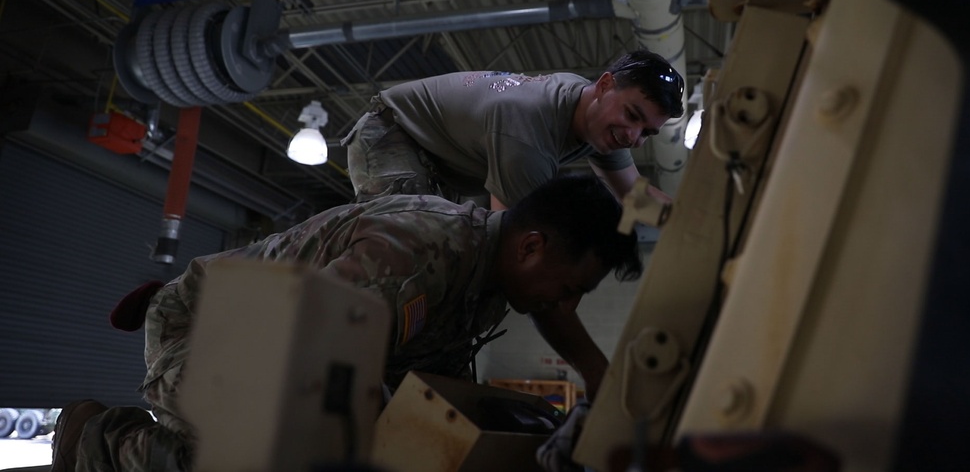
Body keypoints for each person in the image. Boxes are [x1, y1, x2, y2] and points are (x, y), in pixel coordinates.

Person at [51, 175, 642, 472]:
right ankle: (98, 441)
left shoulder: (499, 275)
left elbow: (431, 396)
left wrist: (601, 384)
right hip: (209, 333)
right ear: (532, 246)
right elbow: (307, 368)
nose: (564, 308)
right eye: (568, 291)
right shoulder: (416, 252)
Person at [342, 49, 684, 211]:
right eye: (633, 116)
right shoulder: (528, 132)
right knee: (408, 240)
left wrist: (701, 226)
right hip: (392, 133)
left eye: (647, 133)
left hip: (440, 160)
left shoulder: (599, 117)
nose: (633, 137)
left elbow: (636, 196)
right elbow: (511, 239)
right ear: (606, 85)